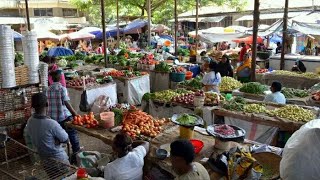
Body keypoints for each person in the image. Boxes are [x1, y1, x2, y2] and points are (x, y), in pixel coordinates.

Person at [26, 93, 69, 177]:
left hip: (44, 159)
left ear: (33, 106)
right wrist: (56, 140)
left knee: (53, 177)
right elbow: (66, 139)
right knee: (66, 177)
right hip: (59, 160)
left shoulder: (30, 121)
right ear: (47, 104)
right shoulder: (51, 124)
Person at [46, 71, 80, 162]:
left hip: (53, 118)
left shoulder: (48, 89)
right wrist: (74, 113)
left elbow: (47, 103)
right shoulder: (62, 88)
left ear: (52, 79)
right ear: (60, 78)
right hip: (63, 116)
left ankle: (61, 154)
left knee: (58, 137)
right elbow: (66, 102)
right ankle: (76, 153)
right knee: (72, 133)